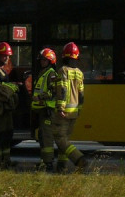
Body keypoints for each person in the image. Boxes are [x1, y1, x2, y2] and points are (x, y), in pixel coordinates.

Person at [52, 42, 87, 172]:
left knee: (60, 139)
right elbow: (82, 94)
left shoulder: (63, 71)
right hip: (74, 112)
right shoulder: (79, 73)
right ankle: (62, 166)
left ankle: (79, 159)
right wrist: (79, 109)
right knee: (65, 139)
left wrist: (60, 107)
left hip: (64, 112)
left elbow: (63, 90)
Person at [0, 41, 19, 169]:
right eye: (4, 55)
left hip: (6, 109)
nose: (7, 58)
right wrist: (10, 87)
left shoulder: (2, 71)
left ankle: (6, 161)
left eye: (8, 55)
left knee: (7, 134)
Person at [30, 47, 59, 172]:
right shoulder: (43, 72)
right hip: (40, 111)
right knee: (42, 137)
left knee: (47, 138)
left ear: (50, 61)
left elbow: (54, 91)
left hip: (47, 110)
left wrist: (40, 97)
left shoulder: (51, 73)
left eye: (44, 60)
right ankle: (44, 162)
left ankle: (48, 164)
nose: (42, 62)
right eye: (41, 60)